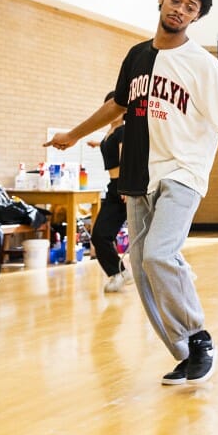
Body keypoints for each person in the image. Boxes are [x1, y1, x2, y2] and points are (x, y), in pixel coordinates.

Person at [45, 0, 218, 385]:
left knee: (158, 255)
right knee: (140, 265)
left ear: (197, 17)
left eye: (191, 7)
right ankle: (185, 352)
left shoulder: (205, 66)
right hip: (137, 176)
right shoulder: (136, 56)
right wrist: (73, 136)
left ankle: (201, 338)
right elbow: (117, 105)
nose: (181, 9)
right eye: (176, 0)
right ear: (160, 0)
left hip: (182, 173)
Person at [84, 92, 131, 292]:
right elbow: (109, 148)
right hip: (113, 189)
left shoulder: (123, 131)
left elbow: (127, 159)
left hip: (124, 189)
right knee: (99, 235)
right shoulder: (111, 132)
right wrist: (98, 145)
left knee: (144, 237)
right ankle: (118, 272)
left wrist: (126, 188)